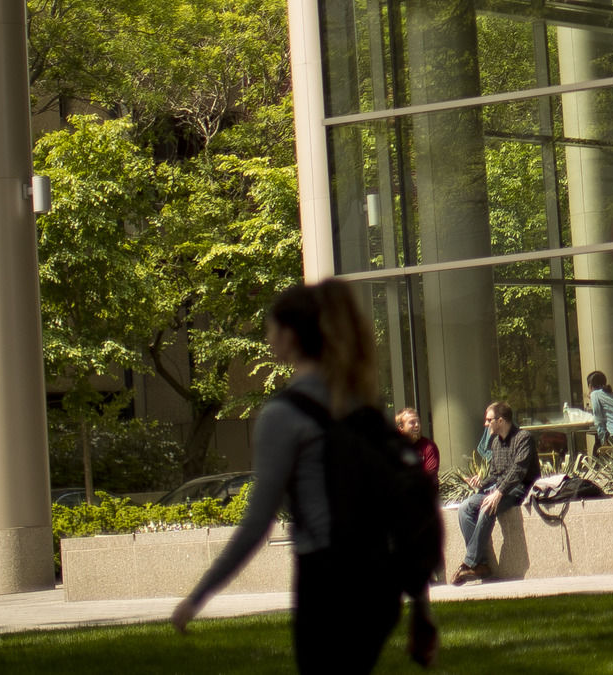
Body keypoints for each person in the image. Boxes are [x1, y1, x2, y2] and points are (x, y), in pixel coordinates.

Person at [172, 279, 435, 673]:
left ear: (291, 336)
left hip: (327, 582)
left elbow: (258, 521)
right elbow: (401, 504)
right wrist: (422, 608)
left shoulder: (283, 415)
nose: (267, 335)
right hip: (379, 583)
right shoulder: (359, 404)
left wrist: (198, 596)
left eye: (271, 326)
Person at [452, 402, 538, 585]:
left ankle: (469, 562)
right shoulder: (495, 442)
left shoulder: (523, 438)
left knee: (487, 506)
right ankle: (480, 564)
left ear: (500, 420)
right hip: (498, 489)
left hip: (519, 489)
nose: (485, 424)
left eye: (489, 420)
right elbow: (495, 473)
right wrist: (481, 482)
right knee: (465, 508)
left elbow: (518, 471)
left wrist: (499, 492)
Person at [394, 408, 440, 481]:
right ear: (401, 427)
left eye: (418, 422)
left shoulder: (428, 446)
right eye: (412, 422)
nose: (417, 425)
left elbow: (429, 479)